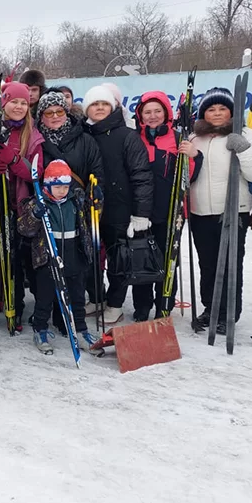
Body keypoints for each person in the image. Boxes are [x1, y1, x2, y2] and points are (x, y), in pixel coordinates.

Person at [189, 87, 252, 333]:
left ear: (232, 112)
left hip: (232, 211)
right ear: (203, 113)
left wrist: (242, 149)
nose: (217, 113)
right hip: (200, 211)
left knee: (231, 263)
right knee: (208, 263)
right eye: (211, 109)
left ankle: (229, 313)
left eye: (223, 109)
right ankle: (210, 308)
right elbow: (187, 176)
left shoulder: (246, 134)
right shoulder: (194, 138)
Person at [0, 82, 44, 333]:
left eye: (24, 103)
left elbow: (36, 172)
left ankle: (15, 307)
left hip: (18, 206)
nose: (19, 106)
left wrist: (13, 160)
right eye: (14, 101)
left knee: (13, 260)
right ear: (4, 103)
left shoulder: (32, 134)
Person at [83, 85, 153, 324]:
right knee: (89, 258)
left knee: (118, 260)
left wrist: (141, 213)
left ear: (112, 107)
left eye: (104, 104)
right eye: (94, 104)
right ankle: (96, 298)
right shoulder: (83, 135)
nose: (99, 108)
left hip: (119, 208)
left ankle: (115, 303)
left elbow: (141, 175)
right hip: (90, 209)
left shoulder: (127, 136)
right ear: (87, 110)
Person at [36, 89, 105, 328]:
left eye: (59, 111)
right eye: (49, 112)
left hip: (77, 209)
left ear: (66, 112)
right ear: (41, 116)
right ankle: (48, 315)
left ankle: (70, 318)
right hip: (49, 211)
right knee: (48, 268)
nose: (55, 116)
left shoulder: (84, 139)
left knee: (75, 267)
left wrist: (92, 195)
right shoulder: (37, 141)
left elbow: (96, 170)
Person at [132, 91, 202, 321]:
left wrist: (193, 156)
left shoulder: (176, 138)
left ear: (166, 113)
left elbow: (188, 178)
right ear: (140, 114)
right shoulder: (134, 139)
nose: (152, 116)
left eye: (157, 111)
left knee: (166, 261)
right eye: (147, 112)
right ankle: (142, 307)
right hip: (140, 212)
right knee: (140, 260)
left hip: (169, 212)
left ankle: (164, 305)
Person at [17, 160, 99, 354]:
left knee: (77, 298)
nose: (62, 191)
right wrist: (36, 215)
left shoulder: (75, 201)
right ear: (47, 186)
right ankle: (41, 329)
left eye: (65, 186)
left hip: (74, 257)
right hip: (48, 258)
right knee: (45, 297)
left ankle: (81, 330)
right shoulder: (38, 203)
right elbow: (24, 228)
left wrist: (98, 200)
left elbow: (92, 215)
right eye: (57, 187)